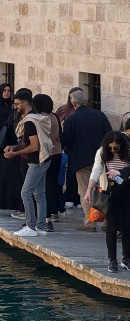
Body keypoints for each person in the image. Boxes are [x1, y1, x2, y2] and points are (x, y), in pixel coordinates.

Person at [3, 90, 53, 237]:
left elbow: (34, 146)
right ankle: (41, 227)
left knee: (26, 192)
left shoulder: (30, 122)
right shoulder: (37, 118)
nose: (16, 107)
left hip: (36, 161)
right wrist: (14, 147)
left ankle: (30, 227)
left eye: (17, 104)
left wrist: (14, 154)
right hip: (44, 159)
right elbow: (27, 143)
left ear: (25, 103)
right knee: (40, 194)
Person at [61, 89, 113, 229]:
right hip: (102, 159)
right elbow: (109, 135)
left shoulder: (71, 119)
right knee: (103, 189)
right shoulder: (99, 115)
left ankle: (90, 222)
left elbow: (66, 141)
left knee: (85, 190)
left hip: (81, 160)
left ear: (73, 102)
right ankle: (106, 222)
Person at [84, 132, 130, 273]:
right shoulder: (102, 152)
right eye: (110, 148)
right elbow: (96, 170)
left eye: (115, 148)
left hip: (127, 191)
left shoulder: (128, 150)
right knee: (111, 227)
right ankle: (112, 260)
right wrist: (89, 189)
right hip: (110, 193)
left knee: (127, 226)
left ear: (122, 146)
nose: (112, 151)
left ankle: (126, 258)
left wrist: (120, 172)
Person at [33, 93, 64, 230]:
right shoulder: (54, 117)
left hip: (46, 154)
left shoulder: (41, 119)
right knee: (52, 185)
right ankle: (52, 214)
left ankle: (45, 218)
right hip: (57, 153)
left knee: (42, 187)